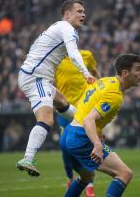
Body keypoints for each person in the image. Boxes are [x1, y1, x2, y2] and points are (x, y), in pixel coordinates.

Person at [16, 0, 96, 177]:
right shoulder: (66, 28)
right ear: (67, 14)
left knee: (61, 102)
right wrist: (86, 73)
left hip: (34, 76)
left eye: (84, 11)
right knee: (47, 119)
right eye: (79, 11)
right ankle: (28, 158)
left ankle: (83, 124)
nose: (83, 14)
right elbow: (74, 54)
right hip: (36, 78)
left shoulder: (59, 28)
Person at [60, 53, 140, 197]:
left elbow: (86, 105)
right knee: (124, 173)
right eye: (138, 69)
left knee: (86, 177)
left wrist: (98, 130)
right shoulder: (114, 95)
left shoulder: (105, 81)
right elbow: (88, 120)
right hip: (80, 137)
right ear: (125, 73)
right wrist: (97, 144)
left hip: (68, 134)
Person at [55, 50, 100, 197]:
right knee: (65, 147)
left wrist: (100, 89)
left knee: (88, 144)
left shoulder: (86, 55)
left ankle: (90, 184)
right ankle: (71, 178)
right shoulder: (55, 59)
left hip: (83, 108)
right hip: (64, 109)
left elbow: (95, 72)